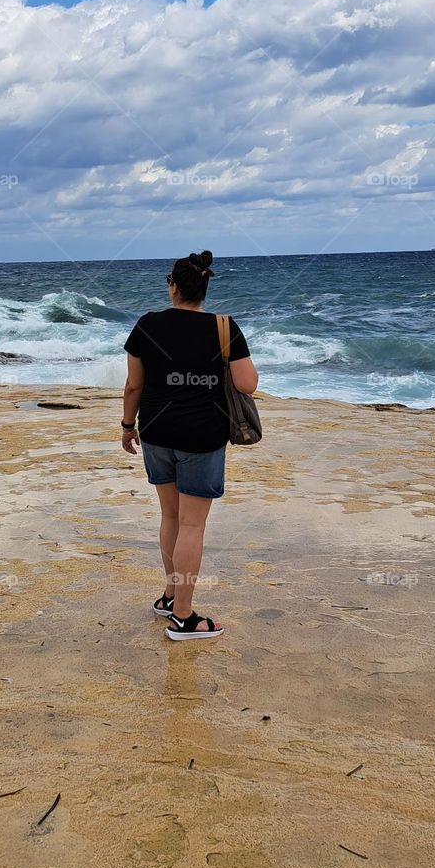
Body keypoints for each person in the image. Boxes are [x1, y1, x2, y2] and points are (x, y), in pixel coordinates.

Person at [121, 250, 258, 641]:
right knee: (193, 524)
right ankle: (183, 617)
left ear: (174, 287)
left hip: (157, 433)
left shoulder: (147, 325)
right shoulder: (223, 327)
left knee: (170, 518)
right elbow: (247, 384)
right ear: (204, 288)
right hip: (202, 436)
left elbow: (134, 384)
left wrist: (127, 426)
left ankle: (169, 596)